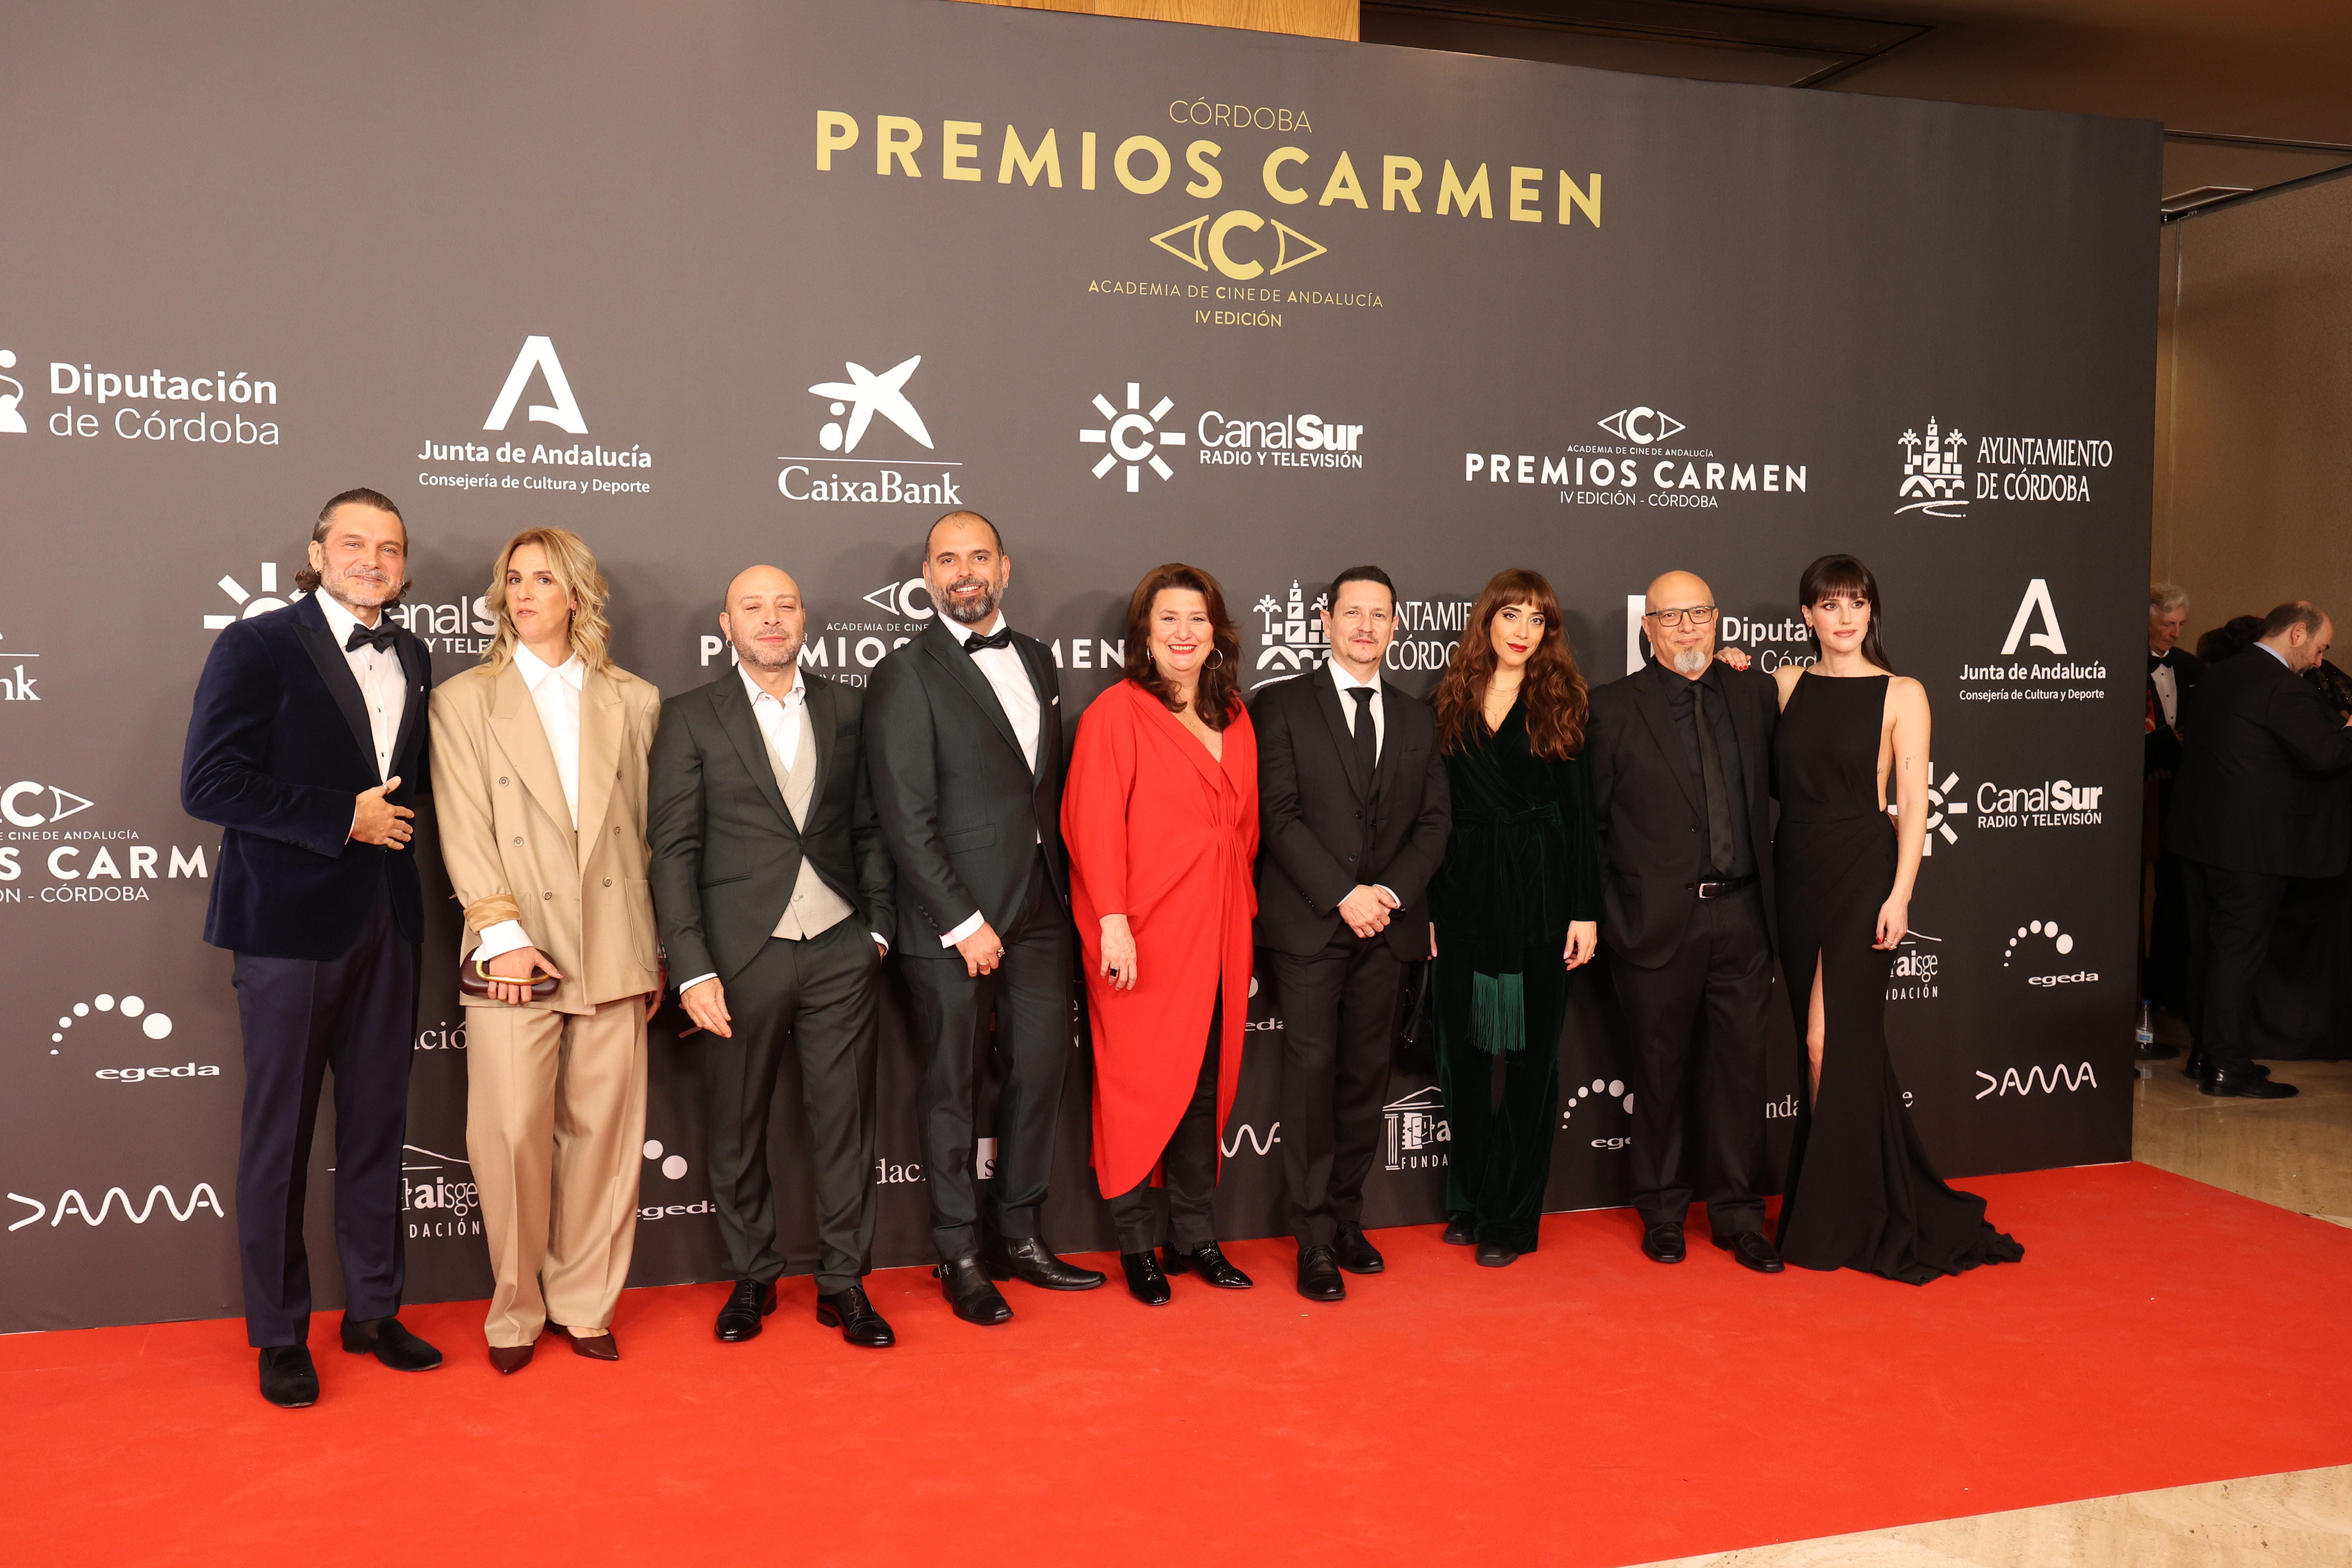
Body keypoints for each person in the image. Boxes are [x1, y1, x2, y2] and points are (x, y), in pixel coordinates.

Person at [180, 487, 443, 1408]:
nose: (374, 559)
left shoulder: (412, 652)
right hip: (288, 930)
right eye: (356, 543)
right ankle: (279, 1333)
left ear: (404, 566)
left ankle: (374, 1310)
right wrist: (344, 818)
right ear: (318, 552)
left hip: (387, 922)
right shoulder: (257, 645)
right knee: (280, 1136)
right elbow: (209, 782)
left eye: (391, 547)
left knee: (378, 1128)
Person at [429, 529, 662, 1373]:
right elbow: (464, 826)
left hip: (614, 947)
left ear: (578, 595)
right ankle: (516, 1311)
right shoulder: (464, 701)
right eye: (513, 580)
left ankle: (585, 1302)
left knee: (603, 1136)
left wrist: (653, 949)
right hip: (511, 951)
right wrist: (502, 932)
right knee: (510, 1133)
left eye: (543, 580)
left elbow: (645, 836)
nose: (524, 594)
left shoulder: (634, 700)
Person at [647, 566, 897, 1347]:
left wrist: (878, 931)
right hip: (736, 953)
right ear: (727, 623)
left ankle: (844, 1281)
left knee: (846, 1123)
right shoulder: (689, 717)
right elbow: (673, 848)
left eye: (785, 604)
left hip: (839, 948)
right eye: (753, 606)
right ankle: (753, 1275)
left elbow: (870, 828)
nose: (771, 618)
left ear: (802, 619)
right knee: (736, 1123)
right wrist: (690, 965)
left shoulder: (850, 707)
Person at [866, 511, 1103, 1327]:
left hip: (1042, 906)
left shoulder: (1037, 658)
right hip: (950, 918)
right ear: (926, 576)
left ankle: (1022, 1235)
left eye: (977, 557)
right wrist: (960, 918)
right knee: (950, 1090)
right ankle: (959, 1252)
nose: (963, 572)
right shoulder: (905, 673)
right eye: (946, 560)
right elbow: (904, 814)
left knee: (1040, 1068)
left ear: (1003, 566)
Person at [1770, 554, 2021, 1282]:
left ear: (1872, 612)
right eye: (1828, 604)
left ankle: (1834, 1206)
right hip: (1795, 871)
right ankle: (1858, 1191)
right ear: (1806, 616)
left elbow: (1912, 802)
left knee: (1827, 1043)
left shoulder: (1901, 692)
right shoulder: (1783, 685)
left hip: (1861, 869)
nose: (1844, 616)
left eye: (1856, 602)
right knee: (1829, 1049)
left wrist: (1900, 893)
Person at [1253, 566, 1450, 1301]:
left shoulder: (1417, 718)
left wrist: (1390, 894)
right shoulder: (1278, 706)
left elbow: (1435, 822)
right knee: (1309, 1080)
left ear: (1395, 626)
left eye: (1379, 615)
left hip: (1388, 930)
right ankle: (1310, 1237)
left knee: (1365, 1079)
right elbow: (1277, 815)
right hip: (1311, 925)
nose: (1365, 626)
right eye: (1352, 613)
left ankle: (1345, 1216)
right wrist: (1343, 894)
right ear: (1326, 621)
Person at [1063, 564, 1259, 1305]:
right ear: (1145, 632)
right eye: (1168, 619)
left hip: (1217, 932)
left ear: (1217, 633)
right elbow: (1091, 824)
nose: (1184, 633)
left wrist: (1239, 928)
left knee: (1204, 1089)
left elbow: (1244, 834)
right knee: (1137, 1088)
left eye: (1197, 620)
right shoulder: (1116, 712)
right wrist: (1112, 922)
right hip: (1139, 935)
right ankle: (1137, 1246)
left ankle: (1195, 1236)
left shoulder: (1235, 715)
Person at [1586, 571, 1781, 1274]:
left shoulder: (1754, 693)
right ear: (1649, 628)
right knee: (1659, 1071)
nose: (1688, 628)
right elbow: (1591, 826)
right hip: (1654, 923)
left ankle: (1736, 1214)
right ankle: (1662, 1209)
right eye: (1672, 618)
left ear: (1718, 619)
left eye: (1699, 613)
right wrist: (1613, 913)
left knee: (1740, 1073)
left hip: (1744, 916)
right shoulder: (1609, 709)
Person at [1424, 569, 1600, 1268]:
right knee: (1464, 1058)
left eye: (1538, 619)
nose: (1524, 630)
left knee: (1530, 1065)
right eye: (1511, 614)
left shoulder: (1563, 700)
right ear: (1486, 622)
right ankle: (1468, 1201)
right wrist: (1429, 910)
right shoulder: (1448, 699)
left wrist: (1583, 909)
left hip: (1541, 901)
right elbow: (1432, 816)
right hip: (1464, 899)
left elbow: (1583, 818)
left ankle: (1512, 1217)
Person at [2167, 600, 2352, 1098]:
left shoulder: (2220, 674)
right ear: (2297, 634)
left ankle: (2206, 1055)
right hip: (2249, 847)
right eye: (2320, 648)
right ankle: (2227, 1065)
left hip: (2197, 837)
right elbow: (2327, 753)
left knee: (2208, 949)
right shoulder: (2282, 687)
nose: (2319, 660)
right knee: (2237, 953)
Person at [2142, 585, 2205, 1039]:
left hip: (2182, 796)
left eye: (2181, 624)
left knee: (2175, 894)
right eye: (2169, 625)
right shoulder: (2123, 663)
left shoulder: (2191, 668)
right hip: (2141, 793)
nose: (2177, 633)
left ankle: (2168, 990)